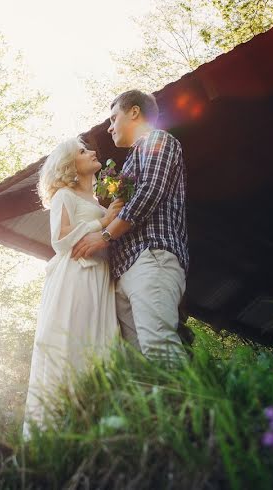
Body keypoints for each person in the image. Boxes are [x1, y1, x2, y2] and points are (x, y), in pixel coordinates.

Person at [72, 89, 190, 364]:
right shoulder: (131, 161)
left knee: (159, 346)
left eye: (114, 119)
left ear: (134, 112)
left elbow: (150, 191)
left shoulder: (158, 140)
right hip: (125, 271)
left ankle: (194, 407)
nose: (110, 127)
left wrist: (104, 236)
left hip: (151, 257)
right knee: (141, 366)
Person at [22, 137, 124, 439]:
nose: (93, 152)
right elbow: (61, 241)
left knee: (100, 347)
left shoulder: (96, 202)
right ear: (69, 166)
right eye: (83, 151)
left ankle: (92, 429)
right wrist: (102, 222)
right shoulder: (63, 196)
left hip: (101, 278)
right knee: (72, 344)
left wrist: (109, 216)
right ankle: (55, 433)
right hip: (76, 278)